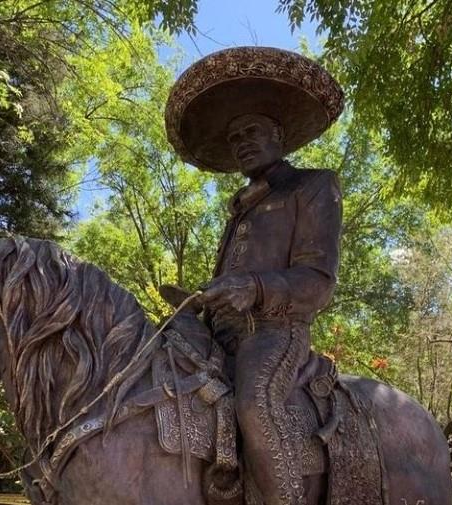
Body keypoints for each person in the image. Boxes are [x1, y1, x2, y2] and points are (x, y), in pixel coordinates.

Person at [164, 46, 344, 505]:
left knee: (254, 405)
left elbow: (318, 281)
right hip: (217, 335)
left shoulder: (312, 185)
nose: (241, 140)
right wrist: (200, 300)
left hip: (273, 332)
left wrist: (255, 288)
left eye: (252, 131)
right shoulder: (239, 209)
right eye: (234, 136)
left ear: (279, 135)